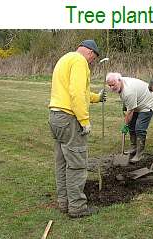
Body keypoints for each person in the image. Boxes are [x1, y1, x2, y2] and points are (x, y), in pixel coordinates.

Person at [48, 40, 106, 218]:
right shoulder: (81, 62)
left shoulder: (66, 59)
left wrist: (96, 97)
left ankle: (64, 203)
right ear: (90, 53)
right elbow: (77, 93)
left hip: (55, 117)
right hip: (70, 119)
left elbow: (74, 90)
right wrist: (84, 120)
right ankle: (77, 208)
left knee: (62, 163)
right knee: (77, 164)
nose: (92, 62)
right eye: (93, 59)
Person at [106, 72, 153, 163]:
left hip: (148, 103)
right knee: (131, 125)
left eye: (113, 85)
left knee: (139, 128)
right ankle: (133, 147)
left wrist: (125, 124)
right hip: (138, 101)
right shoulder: (121, 82)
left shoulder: (128, 91)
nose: (111, 88)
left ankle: (139, 153)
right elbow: (129, 107)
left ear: (119, 81)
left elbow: (130, 112)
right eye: (109, 86)